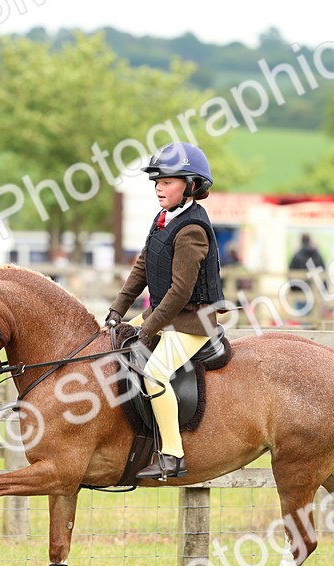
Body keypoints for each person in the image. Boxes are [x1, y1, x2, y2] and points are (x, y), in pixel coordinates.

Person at [104, 142, 225, 480]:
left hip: (192, 321)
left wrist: (147, 328)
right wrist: (118, 310)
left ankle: (172, 454)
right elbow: (142, 266)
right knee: (113, 341)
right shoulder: (163, 219)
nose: (159, 187)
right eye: (157, 181)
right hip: (166, 312)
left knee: (154, 373)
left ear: (190, 185)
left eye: (168, 181)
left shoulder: (191, 230)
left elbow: (180, 292)